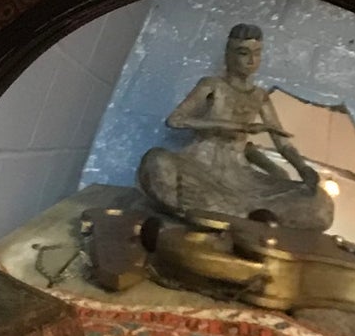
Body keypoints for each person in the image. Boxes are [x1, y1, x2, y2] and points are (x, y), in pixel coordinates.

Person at [137, 24, 335, 233]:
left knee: (321, 205)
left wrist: (303, 168)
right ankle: (233, 216)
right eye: (243, 53)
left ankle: (219, 213)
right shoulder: (212, 85)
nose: (252, 61)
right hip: (200, 166)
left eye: (257, 53)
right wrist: (239, 126)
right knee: (156, 161)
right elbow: (175, 120)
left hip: (241, 178)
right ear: (228, 55)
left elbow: (282, 142)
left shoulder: (260, 96)